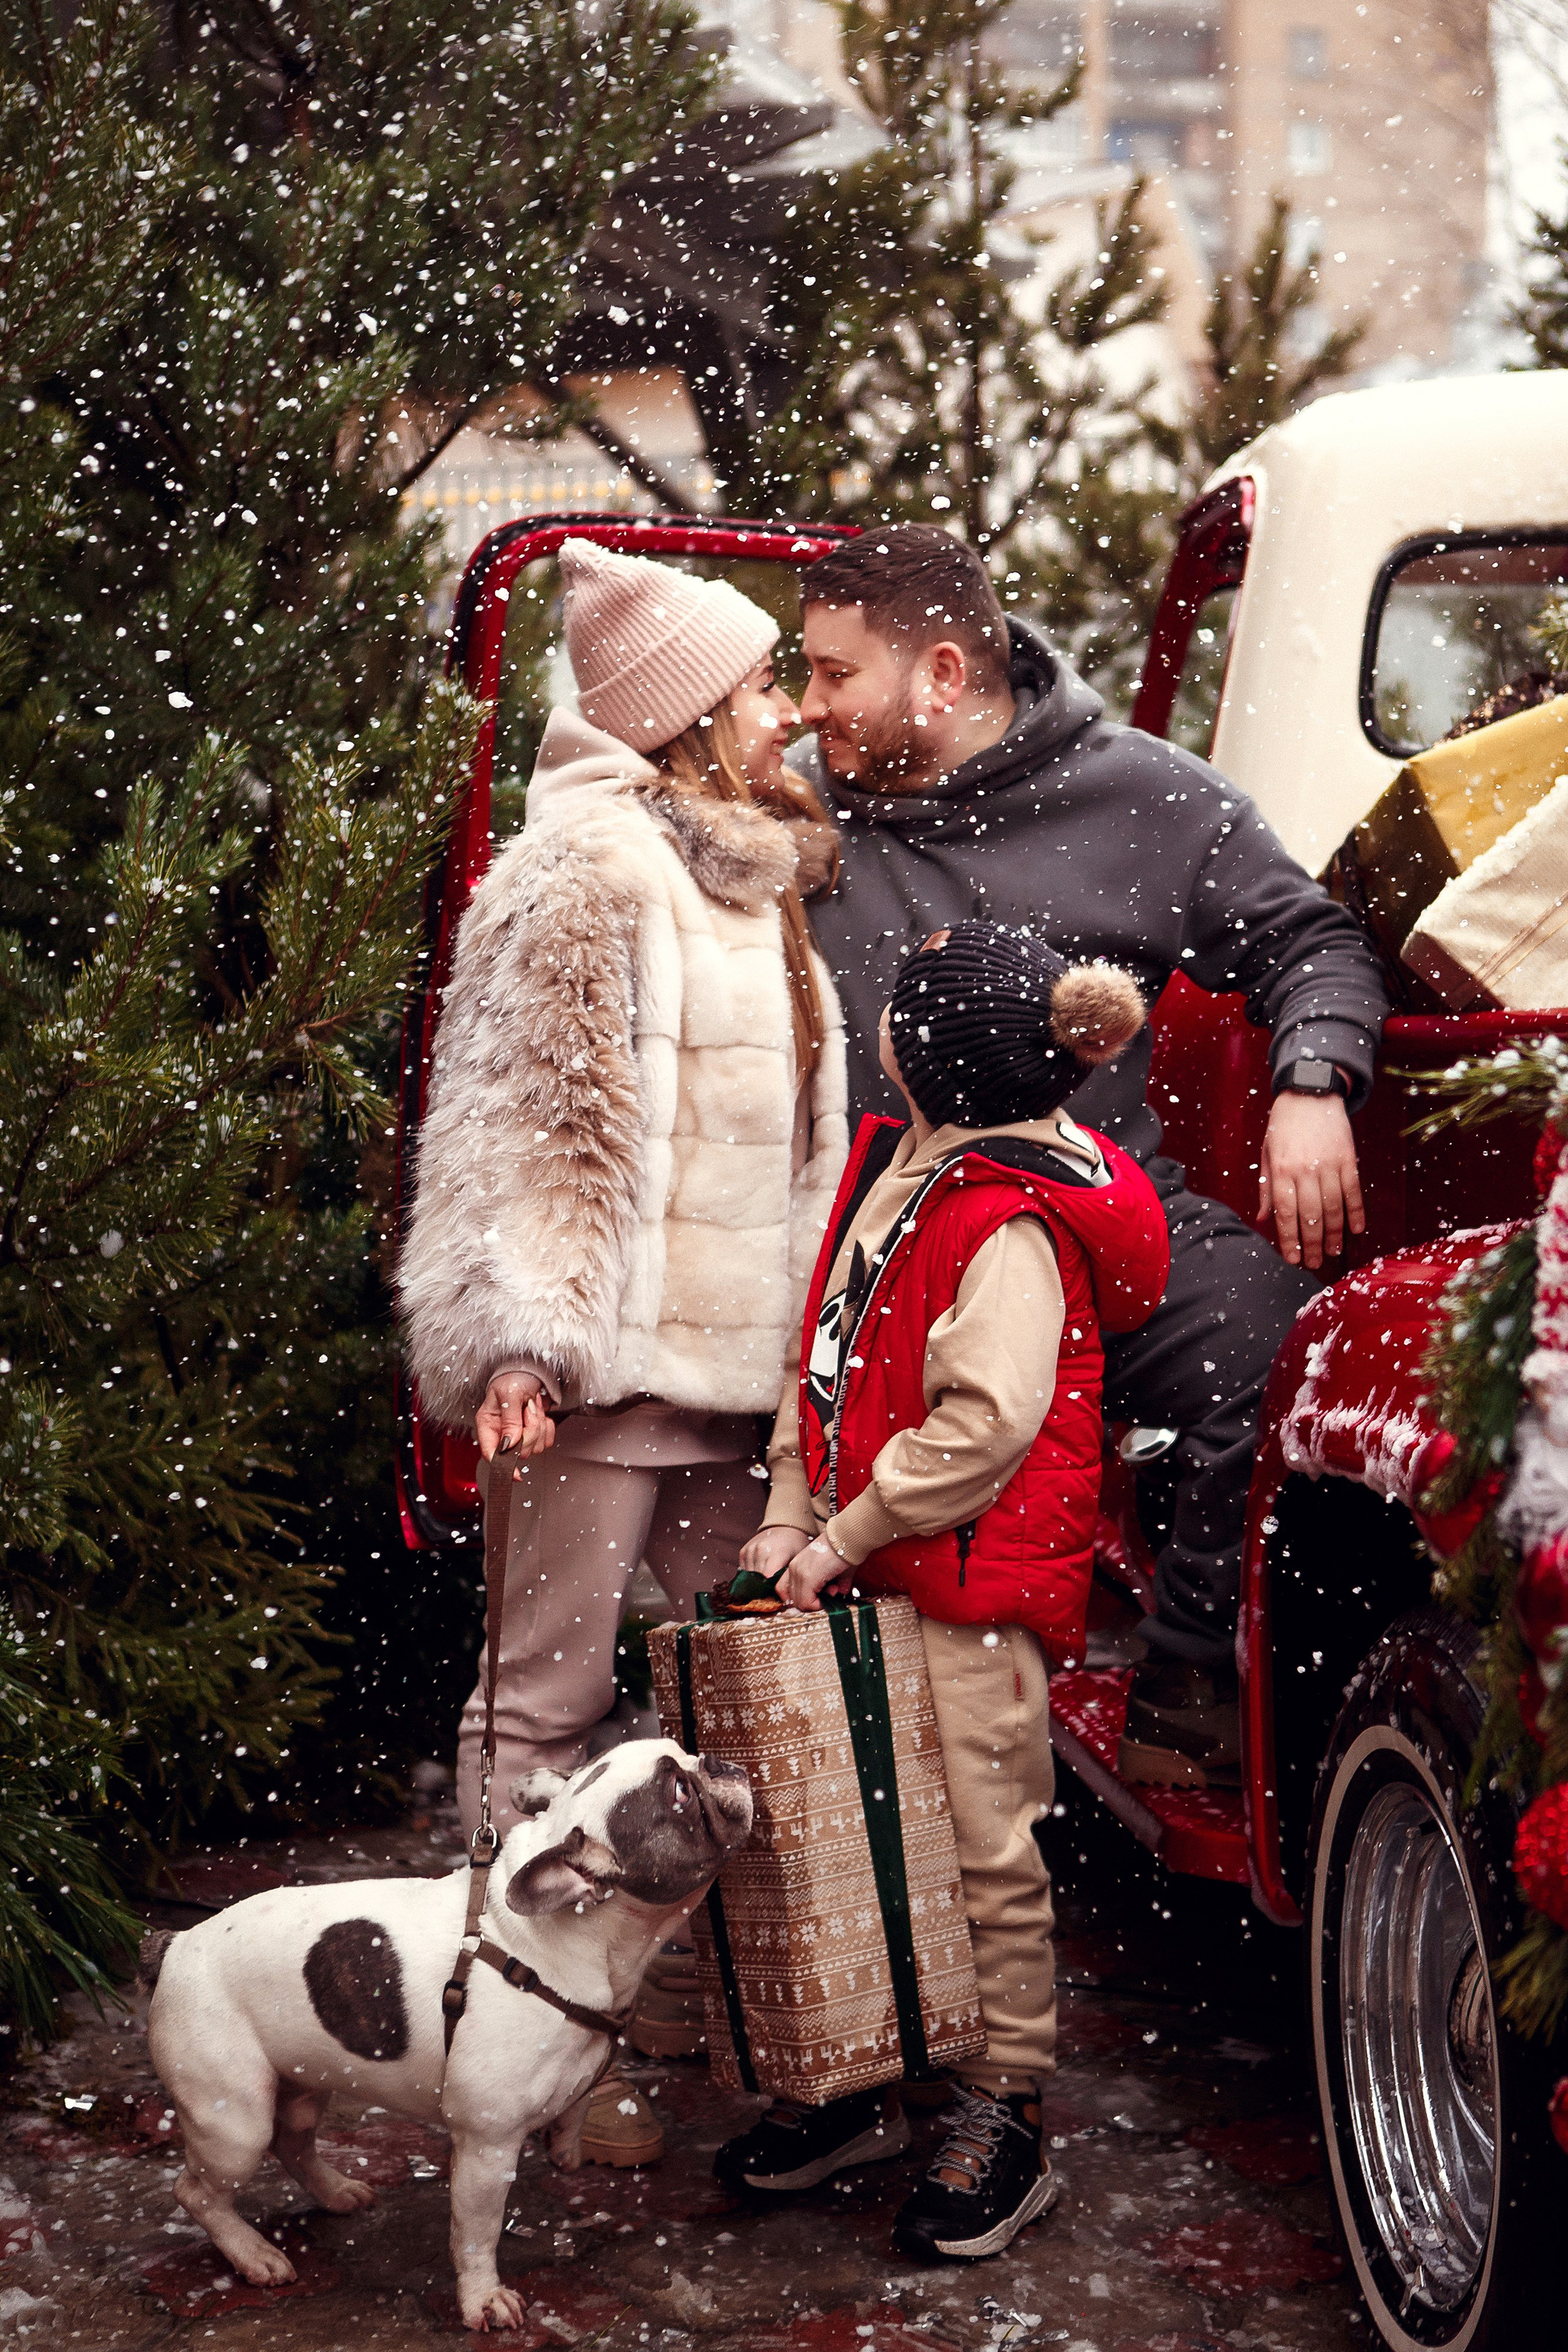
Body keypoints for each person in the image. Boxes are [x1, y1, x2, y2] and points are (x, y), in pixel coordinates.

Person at [786, 526, 1390, 1785]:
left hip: (1078, 1212)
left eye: (834, 674)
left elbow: (1311, 945)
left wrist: (1312, 1081)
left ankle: (1185, 1678)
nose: (807, 706)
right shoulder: (787, 801)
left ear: (941, 675)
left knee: (1279, 1343)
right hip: (856, 1237)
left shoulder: (1151, 800)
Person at [399, 540, 849, 2165]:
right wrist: (529, 1338)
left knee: (730, 1698)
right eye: (761, 687)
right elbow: (541, 1125)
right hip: (593, 1383)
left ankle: (692, 2017)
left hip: (731, 1386)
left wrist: (802, 1352)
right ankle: (509, 2025)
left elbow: (796, 1142)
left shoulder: (756, 873)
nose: (788, 711)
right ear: (691, 715)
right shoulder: (582, 871)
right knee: (548, 1701)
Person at [714, 922, 1169, 2260]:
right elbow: (831, 1357)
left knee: (980, 1852)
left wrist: (840, 1535)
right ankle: (862, 2078)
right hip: (867, 1565)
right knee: (854, 1837)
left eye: (897, 1018)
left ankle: (1001, 2102)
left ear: (922, 1052)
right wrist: (789, 1508)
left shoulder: (1007, 1216)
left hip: (968, 1593)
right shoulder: (902, 1173)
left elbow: (982, 1429)